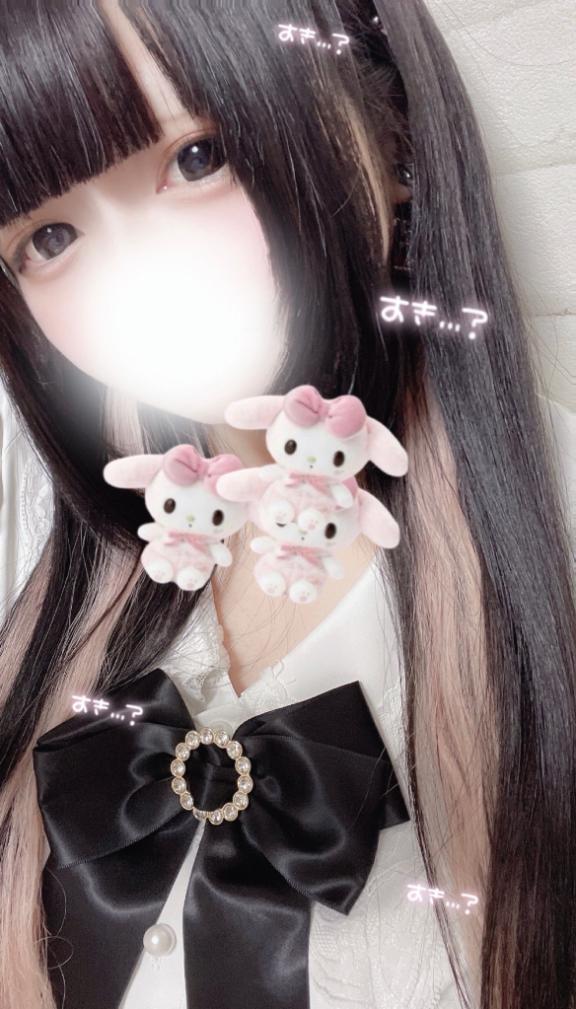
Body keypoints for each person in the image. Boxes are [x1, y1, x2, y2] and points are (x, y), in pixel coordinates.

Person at [0, 2, 574, 1008]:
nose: (136, 273)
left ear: (388, 128)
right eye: (49, 237)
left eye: (198, 158)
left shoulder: (549, 549)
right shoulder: (53, 557)